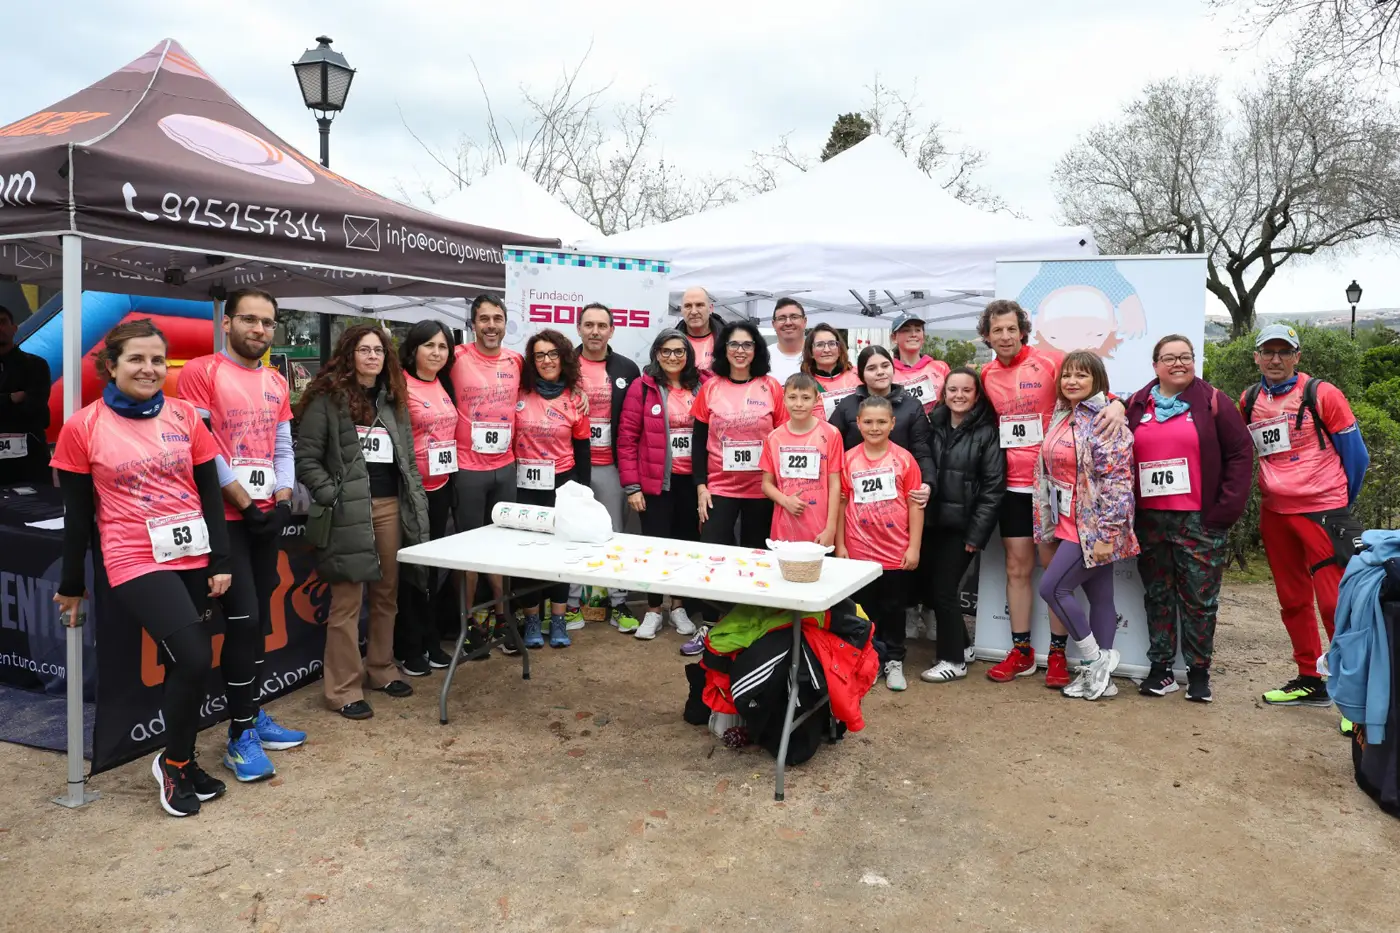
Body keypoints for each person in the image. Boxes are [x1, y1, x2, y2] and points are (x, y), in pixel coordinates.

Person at [52, 319, 231, 817]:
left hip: (192, 551)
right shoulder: (82, 427)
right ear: (110, 365)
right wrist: (71, 584)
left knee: (185, 665)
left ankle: (183, 755)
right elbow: (77, 517)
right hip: (132, 556)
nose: (149, 368)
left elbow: (209, 491)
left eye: (157, 359)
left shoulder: (184, 415)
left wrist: (220, 556)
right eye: (136, 359)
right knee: (195, 656)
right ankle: (172, 766)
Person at [177, 288, 305, 783]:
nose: (259, 330)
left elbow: (282, 444)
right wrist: (246, 502)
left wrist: (286, 493)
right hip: (225, 520)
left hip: (265, 517)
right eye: (249, 320)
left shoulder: (275, 380)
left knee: (259, 620)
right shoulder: (202, 371)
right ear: (227, 323)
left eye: (268, 323)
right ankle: (239, 736)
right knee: (245, 619)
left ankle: (250, 712)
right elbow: (203, 449)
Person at [978, 299, 1126, 687]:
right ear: (987, 335)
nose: (1005, 336)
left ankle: (1058, 654)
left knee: (1054, 574)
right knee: (1016, 567)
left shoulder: (1050, 361)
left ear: (1023, 330)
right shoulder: (986, 373)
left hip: (1052, 487)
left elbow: (1087, 385)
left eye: (1012, 328)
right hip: (1012, 484)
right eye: (997, 330)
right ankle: (1022, 650)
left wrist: (1117, 405)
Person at [295, 324, 428, 720]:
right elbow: (307, 458)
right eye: (364, 350)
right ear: (348, 353)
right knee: (348, 601)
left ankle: (382, 669)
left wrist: (414, 502)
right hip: (347, 510)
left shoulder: (393, 400)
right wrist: (330, 494)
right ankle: (342, 688)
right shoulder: (327, 400)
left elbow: (407, 459)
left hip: (390, 505)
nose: (372, 357)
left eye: (379, 351)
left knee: (387, 593)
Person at [1241, 324, 1370, 707]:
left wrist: (1340, 504)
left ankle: (1354, 693)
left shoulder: (1322, 394)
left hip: (1323, 512)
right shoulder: (1248, 399)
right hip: (1276, 512)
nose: (1275, 359)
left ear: (1297, 357)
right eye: (1268, 351)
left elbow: (1357, 456)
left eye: (1284, 352)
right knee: (1293, 599)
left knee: (1335, 603)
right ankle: (1310, 679)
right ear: (1257, 357)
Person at [1126, 335, 1253, 703]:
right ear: (1155, 365)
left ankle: (1199, 673)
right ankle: (1161, 669)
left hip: (1198, 520)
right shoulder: (1137, 403)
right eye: (1169, 358)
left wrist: (1225, 510)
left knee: (1200, 600)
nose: (1178, 363)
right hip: (1150, 519)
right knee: (1158, 595)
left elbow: (1241, 454)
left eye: (1185, 356)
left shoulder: (1213, 401)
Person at [1032, 351, 1138, 701]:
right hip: (1067, 520)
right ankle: (1103, 681)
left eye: (1081, 376)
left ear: (1097, 380)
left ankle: (1095, 664)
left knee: (1053, 588)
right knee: (1100, 596)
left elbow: (1118, 482)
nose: (1072, 381)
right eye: (1067, 375)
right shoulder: (1064, 414)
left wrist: (1107, 535)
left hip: (1094, 528)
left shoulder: (1106, 419)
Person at [618, 329, 709, 644]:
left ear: (688, 355)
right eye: (667, 351)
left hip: (692, 481)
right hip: (656, 484)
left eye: (680, 351)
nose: (673, 357)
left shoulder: (701, 386)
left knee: (685, 546)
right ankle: (654, 609)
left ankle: (678, 606)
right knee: (654, 548)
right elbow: (627, 439)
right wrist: (632, 487)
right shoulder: (642, 388)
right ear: (656, 353)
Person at [919, 368, 1005, 684]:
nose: (959, 396)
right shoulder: (934, 425)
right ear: (944, 393)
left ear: (976, 394)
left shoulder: (987, 433)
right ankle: (964, 646)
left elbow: (993, 487)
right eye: (953, 389)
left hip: (963, 528)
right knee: (931, 588)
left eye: (966, 390)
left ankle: (953, 660)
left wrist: (976, 534)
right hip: (934, 522)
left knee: (943, 591)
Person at [835, 395, 925, 691]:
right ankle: (870, 659)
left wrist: (913, 547)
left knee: (894, 608)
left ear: (892, 423)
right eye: (868, 422)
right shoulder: (848, 460)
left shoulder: (904, 459)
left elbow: (915, 505)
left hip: (895, 552)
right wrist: (841, 545)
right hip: (859, 553)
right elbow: (841, 504)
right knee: (864, 610)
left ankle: (895, 659)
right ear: (858, 423)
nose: (875, 427)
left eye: (881, 422)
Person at [449, 295, 522, 648]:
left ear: (506, 323)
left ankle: (504, 617)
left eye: (497, 318)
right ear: (472, 323)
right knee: (469, 549)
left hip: (506, 467)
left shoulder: (516, 360)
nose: (491, 325)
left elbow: (549, 388)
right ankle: (469, 624)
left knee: (503, 548)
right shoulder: (456, 357)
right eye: (484, 319)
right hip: (467, 468)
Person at [513, 329, 591, 649]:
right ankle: (532, 619)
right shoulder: (519, 393)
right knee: (528, 555)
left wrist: (583, 493)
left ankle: (557, 620)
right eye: (540, 355)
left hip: (563, 483)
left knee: (560, 555)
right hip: (524, 486)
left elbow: (582, 448)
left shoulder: (575, 397)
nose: (546, 361)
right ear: (532, 361)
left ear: (564, 358)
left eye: (553, 354)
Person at [568, 303, 641, 632]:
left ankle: (619, 601)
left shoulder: (627, 368)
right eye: (589, 325)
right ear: (578, 328)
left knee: (616, 535)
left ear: (612, 330)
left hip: (611, 466)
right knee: (571, 534)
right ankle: (569, 605)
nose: (595, 331)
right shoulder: (563, 364)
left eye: (602, 325)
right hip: (572, 466)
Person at [395, 320, 460, 675]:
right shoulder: (400, 384)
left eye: (443, 347)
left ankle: (432, 639)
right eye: (429, 346)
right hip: (412, 491)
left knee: (433, 569)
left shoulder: (443, 383)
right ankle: (409, 645)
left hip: (441, 487)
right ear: (414, 348)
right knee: (412, 570)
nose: (436, 353)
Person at [693, 320, 789, 549]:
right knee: (713, 549)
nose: (740, 351)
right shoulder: (710, 388)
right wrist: (701, 486)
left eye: (747, 345)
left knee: (757, 553)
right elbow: (698, 442)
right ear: (724, 349)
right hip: (719, 487)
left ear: (756, 350)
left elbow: (783, 439)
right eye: (734, 344)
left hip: (762, 487)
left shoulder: (772, 386)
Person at [827, 345, 935, 491]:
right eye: (871, 368)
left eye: (885, 366)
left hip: (900, 487)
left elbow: (921, 450)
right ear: (861, 375)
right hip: (855, 489)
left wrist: (927, 483)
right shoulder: (847, 406)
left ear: (893, 368)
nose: (880, 372)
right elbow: (832, 448)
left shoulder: (912, 406)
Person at [760, 373, 842, 546]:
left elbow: (835, 484)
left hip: (820, 528)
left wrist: (831, 529)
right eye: (792, 397)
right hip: (784, 528)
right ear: (783, 399)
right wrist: (785, 501)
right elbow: (766, 484)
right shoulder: (774, 437)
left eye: (805, 398)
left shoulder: (831, 434)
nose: (798, 404)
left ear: (816, 399)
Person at [0, 303, 52, 486]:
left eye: (2, 322)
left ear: (14, 328)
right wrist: (10, 399)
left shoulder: (36, 365)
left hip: (30, 461)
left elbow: (34, 408)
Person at [888, 312, 949, 414]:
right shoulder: (887, 372)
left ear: (923, 337)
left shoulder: (941, 367)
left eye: (918, 330)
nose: (913, 334)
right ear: (894, 338)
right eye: (906, 330)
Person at [802, 323, 861, 421]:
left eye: (832, 344)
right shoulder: (803, 383)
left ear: (839, 348)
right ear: (810, 351)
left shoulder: (859, 375)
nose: (826, 350)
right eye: (820, 345)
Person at [678, 287, 726, 372]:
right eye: (688, 306)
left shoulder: (728, 339)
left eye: (699, 305)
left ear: (710, 308)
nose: (693, 312)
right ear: (681, 310)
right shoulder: (670, 342)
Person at [767, 298, 807, 383]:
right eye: (781, 318)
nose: (788, 323)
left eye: (794, 317)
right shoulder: (762, 356)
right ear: (773, 324)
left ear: (804, 321)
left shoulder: (818, 354)